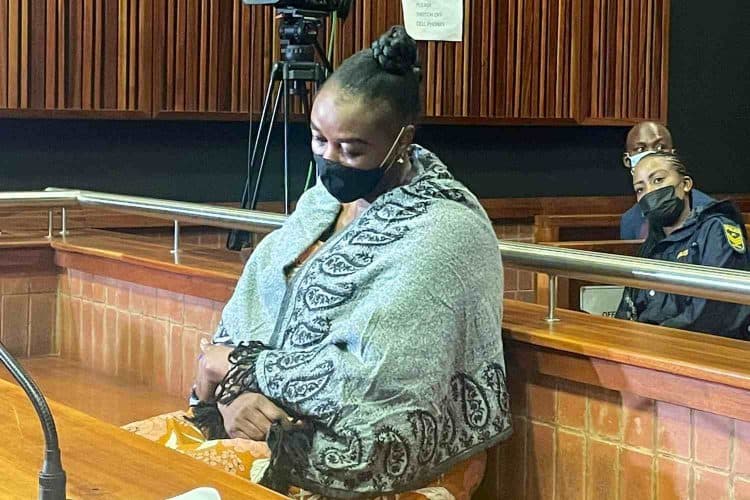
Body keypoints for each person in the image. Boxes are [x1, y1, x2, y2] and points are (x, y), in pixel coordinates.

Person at [126, 26, 510, 498]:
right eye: (318, 139)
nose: (330, 159)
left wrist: (242, 369)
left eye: (351, 149)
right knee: (117, 462)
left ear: (402, 140)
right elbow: (249, 315)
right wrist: (234, 397)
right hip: (257, 423)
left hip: (355, 458)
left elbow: (381, 383)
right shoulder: (320, 203)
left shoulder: (445, 230)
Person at [615, 152, 750, 338]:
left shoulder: (715, 230)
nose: (650, 192)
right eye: (640, 189)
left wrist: (656, 339)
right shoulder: (651, 247)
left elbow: (714, 310)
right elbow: (627, 309)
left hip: (699, 346)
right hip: (649, 344)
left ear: (685, 184)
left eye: (658, 180)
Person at [619, 121, 714, 239]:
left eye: (660, 147)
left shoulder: (710, 214)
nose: (651, 156)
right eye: (641, 149)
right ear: (627, 161)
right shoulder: (629, 221)